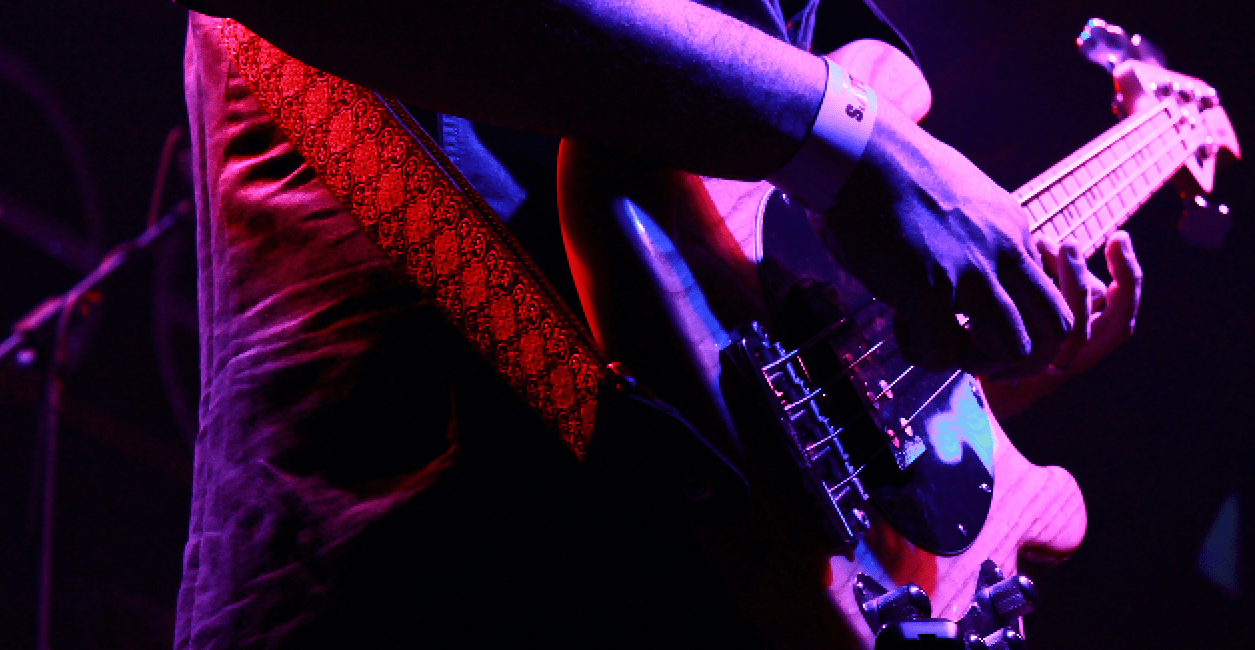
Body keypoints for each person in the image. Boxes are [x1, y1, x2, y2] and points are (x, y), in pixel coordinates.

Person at [175, 0, 1142, 647]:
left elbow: (756, 267)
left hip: (720, 585)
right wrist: (850, 142)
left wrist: (940, 383)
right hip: (438, 558)